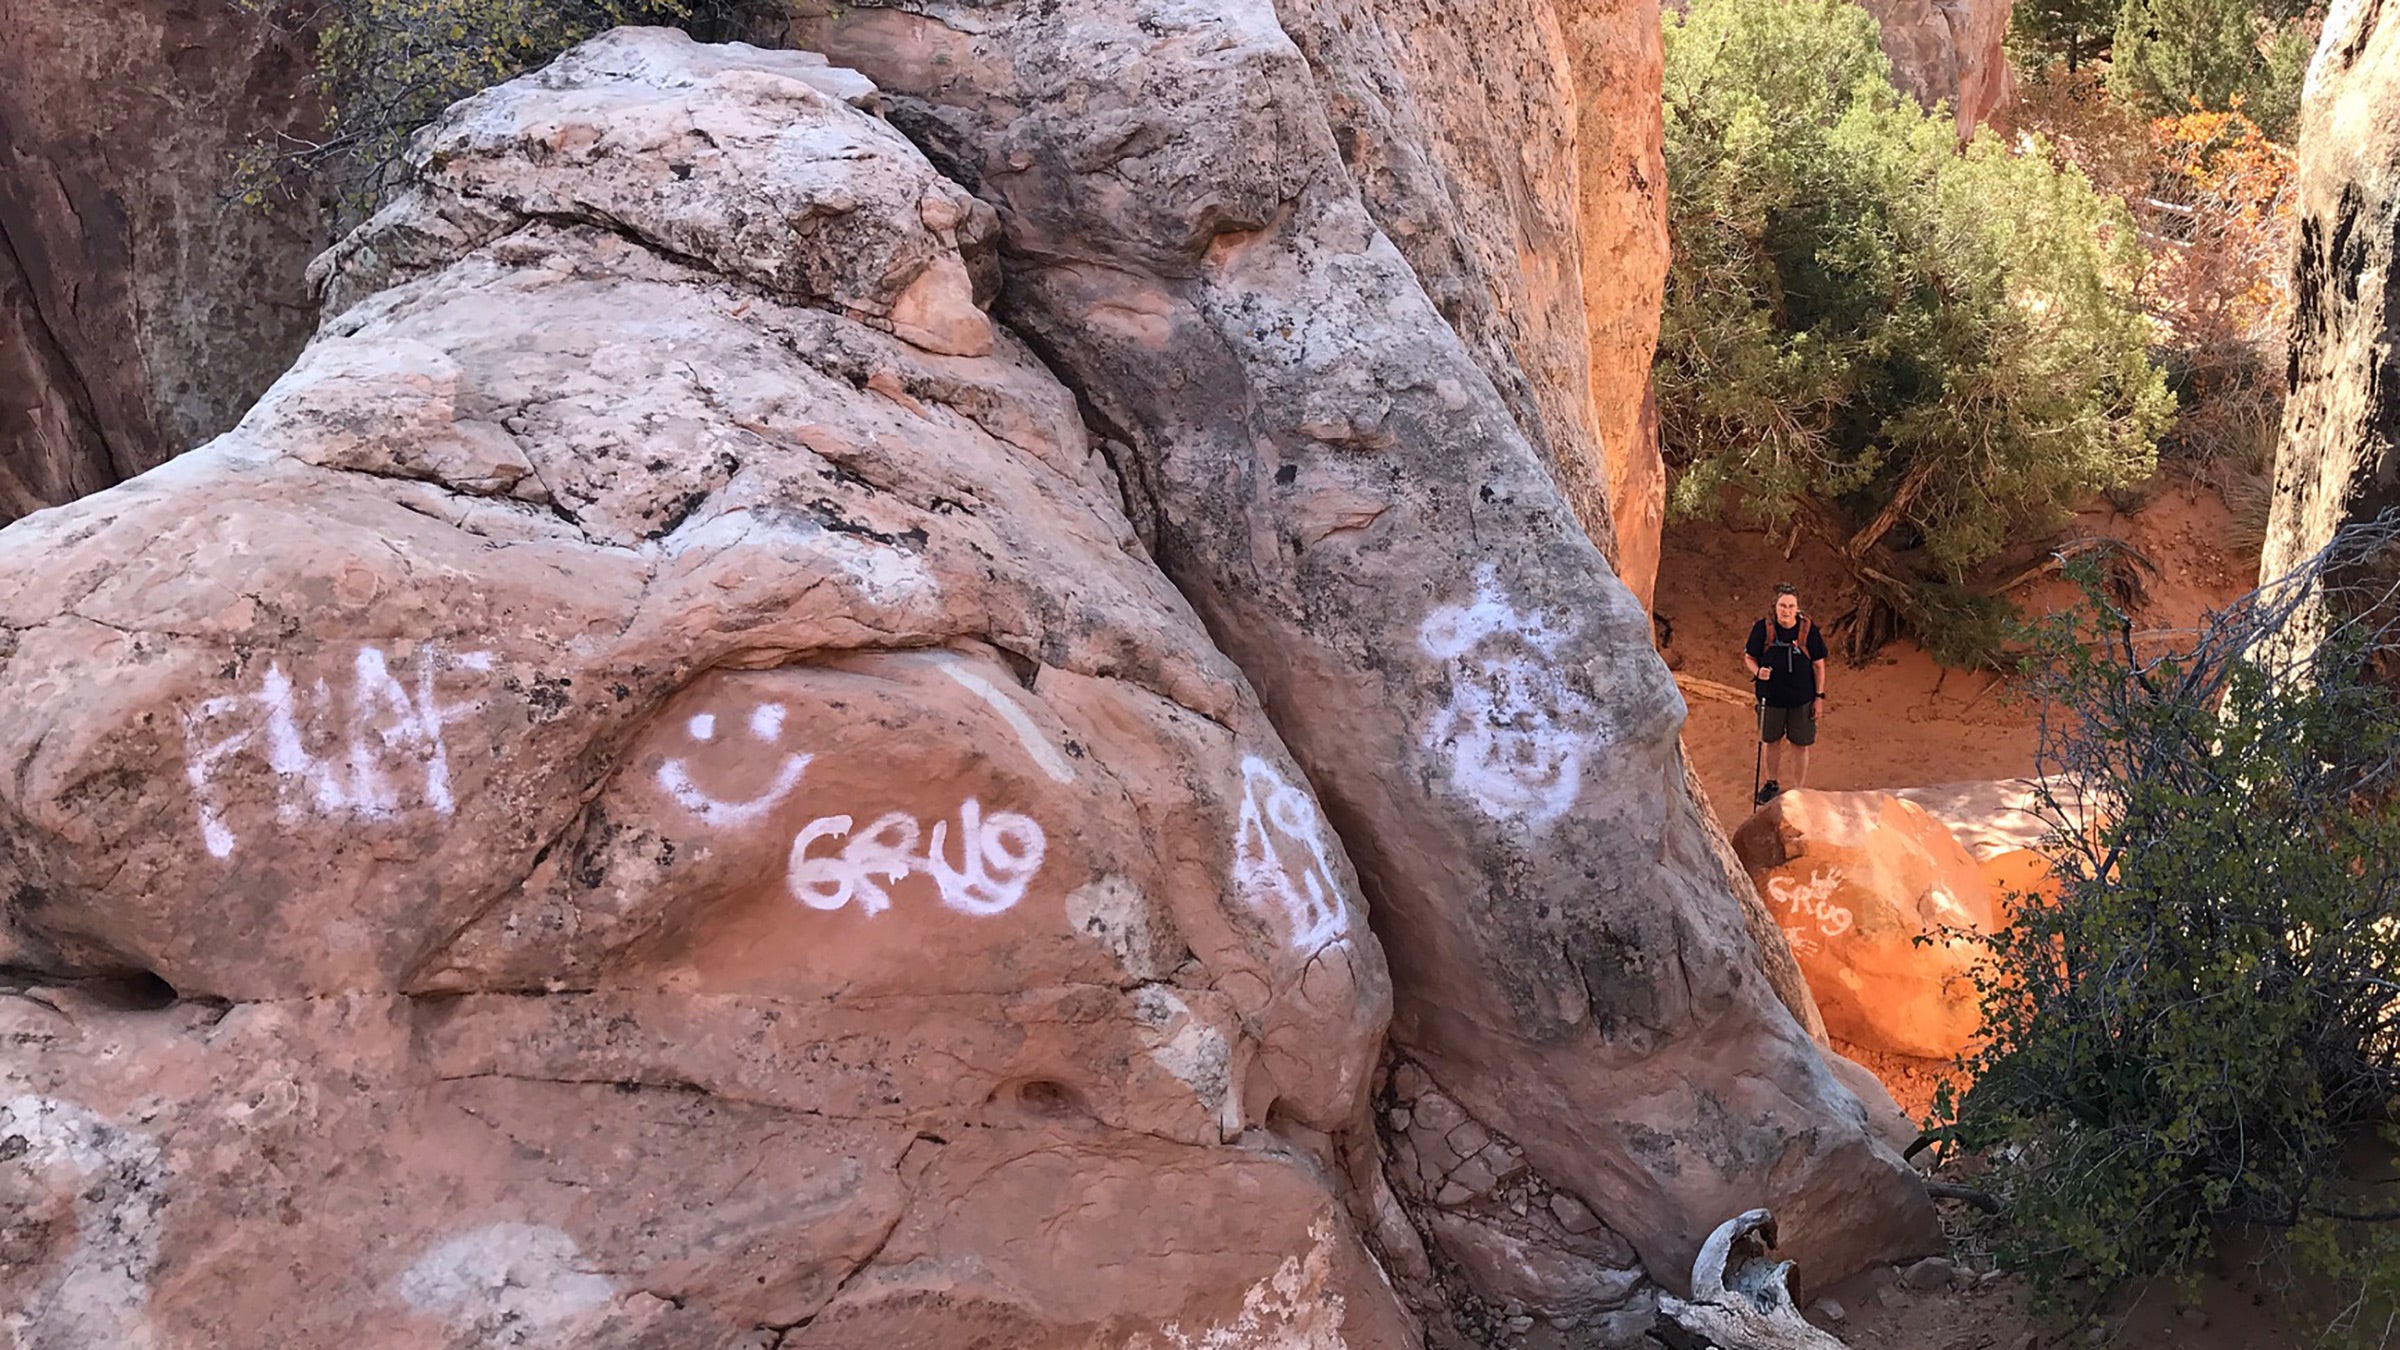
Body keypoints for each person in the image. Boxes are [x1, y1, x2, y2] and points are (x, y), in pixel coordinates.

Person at [1743, 583, 1828, 805]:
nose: (1786, 611)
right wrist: (1757, 672)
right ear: (1776, 606)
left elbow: (1819, 665)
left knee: (1800, 743)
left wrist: (1819, 697)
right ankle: (1771, 783)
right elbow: (1749, 657)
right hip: (1770, 697)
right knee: (1771, 740)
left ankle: (1799, 789)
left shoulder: (1808, 630)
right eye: (1782, 606)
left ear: (1797, 608)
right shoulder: (1763, 628)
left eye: (1790, 606)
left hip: (1802, 699)